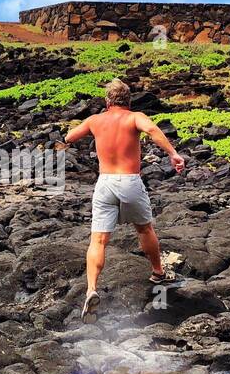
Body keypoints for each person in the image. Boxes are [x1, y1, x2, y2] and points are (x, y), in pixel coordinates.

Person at [62, 78, 185, 317]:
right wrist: (173, 154)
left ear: (108, 101)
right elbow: (151, 129)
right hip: (129, 181)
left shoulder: (95, 120)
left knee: (98, 241)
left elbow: (69, 137)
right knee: (144, 230)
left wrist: (65, 142)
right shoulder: (134, 117)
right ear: (128, 100)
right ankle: (158, 273)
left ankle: (91, 290)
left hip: (105, 182)